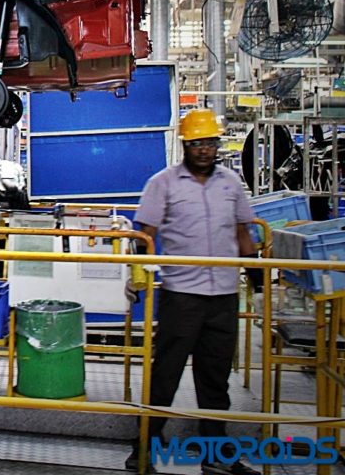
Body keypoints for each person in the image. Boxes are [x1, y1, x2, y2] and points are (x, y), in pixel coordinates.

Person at [125, 109, 259, 475]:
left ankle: (217, 457)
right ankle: (142, 450)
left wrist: (259, 284)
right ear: (186, 145)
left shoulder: (232, 184)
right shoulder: (163, 183)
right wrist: (139, 276)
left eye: (210, 143)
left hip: (224, 297)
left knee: (215, 380)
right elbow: (145, 234)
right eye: (197, 143)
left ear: (217, 145)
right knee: (165, 374)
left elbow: (244, 235)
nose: (204, 150)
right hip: (181, 295)